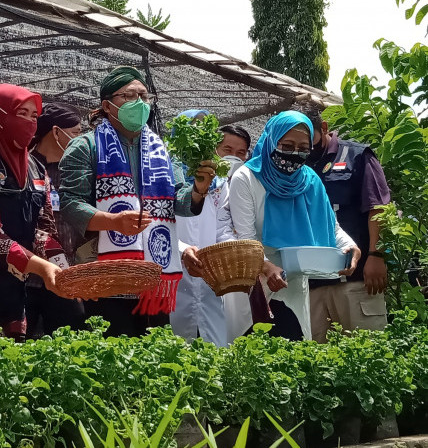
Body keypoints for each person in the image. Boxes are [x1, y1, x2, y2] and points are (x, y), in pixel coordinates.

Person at [59, 66, 214, 337]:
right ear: (107, 105)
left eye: (144, 97)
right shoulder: (86, 146)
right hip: (105, 274)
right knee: (112, 356)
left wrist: (198, 190)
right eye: (129, 96)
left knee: (155, 359)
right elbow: (71, 203)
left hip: (153, 276)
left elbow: (177, 200)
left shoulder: (160, 148)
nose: (140, 104)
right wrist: (113, 221)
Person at [226, 111, 361, 341]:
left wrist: (351, 247)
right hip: (254, 282)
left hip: (294, 282)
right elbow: (245, 240)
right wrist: (267, 268)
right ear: (271, 140)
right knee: (250, 351)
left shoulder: (310, 180)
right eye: (287, 145)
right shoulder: (247, 178)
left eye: (303, 147)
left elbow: (332, 227)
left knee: (294, 349)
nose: (295, 154)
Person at [0, 84, 69, 342]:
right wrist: (42, 267)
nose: (29, 122)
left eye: (34, 116)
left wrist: (66, 274)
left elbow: (43, 229)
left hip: (15, 295)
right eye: (20, 113)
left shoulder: (35, 168)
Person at [304, 112, 391, 342]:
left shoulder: (357, 155)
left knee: (368, 355)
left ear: (323, 127)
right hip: (312, 283)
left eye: (307, 135)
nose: (302, 144)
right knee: (315, 364)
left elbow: (378, 208)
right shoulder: (297, 163)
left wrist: (377, 255)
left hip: (357, 279)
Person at [173, 113, 251, 346]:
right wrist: (183, 249)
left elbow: (222, 226)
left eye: (205, 135)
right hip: (174, 274)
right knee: (172, 352)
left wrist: (233, 251)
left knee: (214, 349)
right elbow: (159, 226)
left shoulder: (219, 184)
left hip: (209, 279)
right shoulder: (164, 175)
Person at [26, 102, 85, 338]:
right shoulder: (25, 166)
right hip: (29, 277)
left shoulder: (73, 171)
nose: (79, 141)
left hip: (67, 274)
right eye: (75, 134)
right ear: (56, 132)